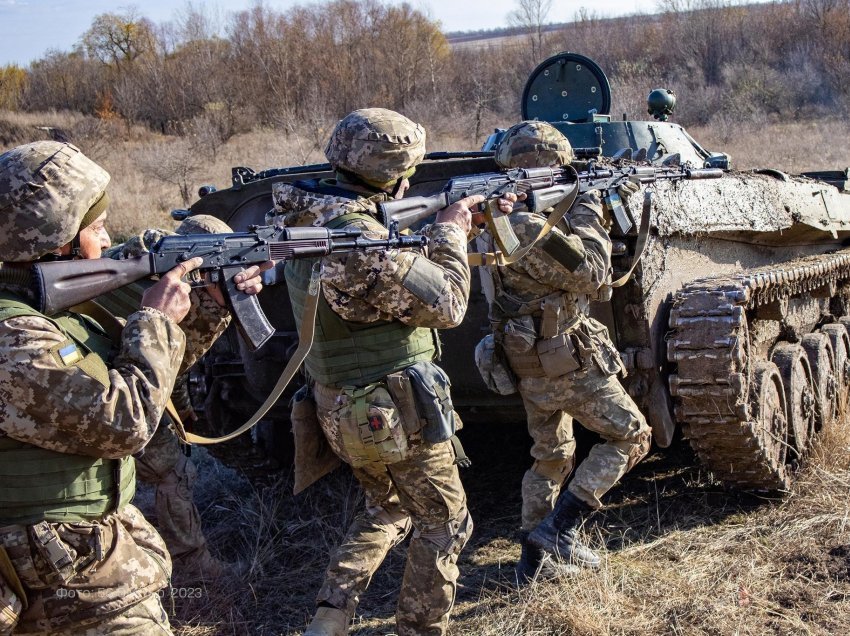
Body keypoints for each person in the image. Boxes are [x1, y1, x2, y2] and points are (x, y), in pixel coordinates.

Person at [0, 140, 270, 635]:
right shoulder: (15, 336)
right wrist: (155, 318)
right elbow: (125, 423)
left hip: (79, 561)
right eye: (97, 229)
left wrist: (211, 304)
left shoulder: (49, 310)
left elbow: (151, 376)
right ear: (58, 239)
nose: (105, 243)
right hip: (57, 579)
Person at [271, 108, 515, 636]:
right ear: (400, 174)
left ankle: (329, 618)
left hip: (337, 403)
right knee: (446, 524)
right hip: (389, 410)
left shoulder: (307, 214)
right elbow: (448, 305)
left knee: (386, 508)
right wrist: (450, 232)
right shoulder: (360, 241)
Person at [474, 121, 651, 583]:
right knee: (631, 435)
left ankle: (533, 564)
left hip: (526, 359)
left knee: (551, 455)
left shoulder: (492, 219)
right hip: (563, 361)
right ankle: (560, 529)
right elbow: (594, 274)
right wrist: (590, 206)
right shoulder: (526, 225)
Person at [103, 216, 243, 583]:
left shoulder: (127, 259)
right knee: (172, 472)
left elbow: (167, 368)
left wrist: (181, 409)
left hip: (108, 383)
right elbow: (172, 363)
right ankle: (193, 565)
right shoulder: (174, 291)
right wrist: (218, 306)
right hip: (117, 394)